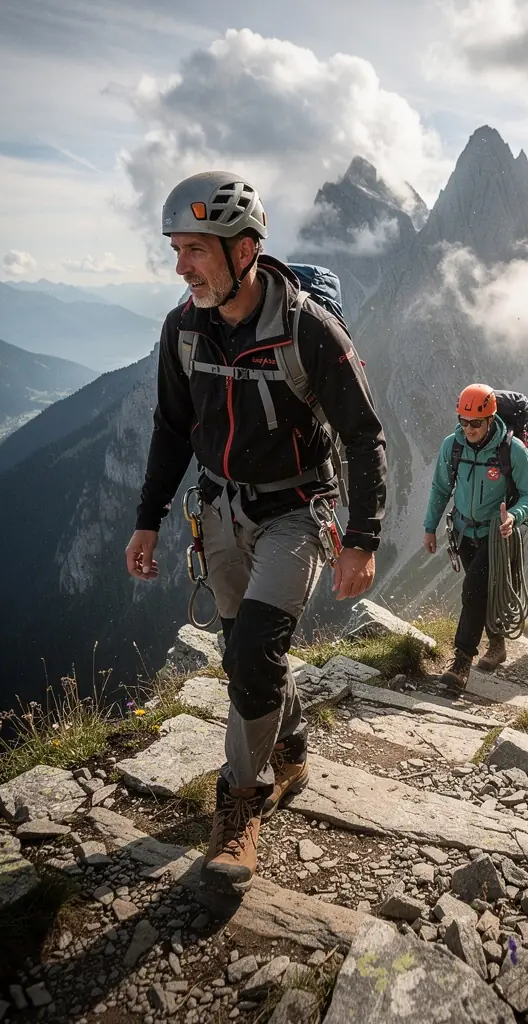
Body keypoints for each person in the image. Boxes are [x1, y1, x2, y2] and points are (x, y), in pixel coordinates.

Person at [124, 171, 386, 893]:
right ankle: (292, 739)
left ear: (244, 249)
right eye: (177, 250)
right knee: (249, 654)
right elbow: (173, 429)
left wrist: (362, 538)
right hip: (219, 512)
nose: (181, 267)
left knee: (254, 648)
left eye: (195, 251)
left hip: (296, 512)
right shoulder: (183, 329)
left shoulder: (309, 328)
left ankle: (240, 807)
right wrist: (147, 520)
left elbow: (364, 436)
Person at [423, 384, 528, 691]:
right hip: (463, 531)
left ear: (490, 418)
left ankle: (462, 662)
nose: (468, 428)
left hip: (495, 533)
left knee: (473, 590)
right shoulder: (453, 445)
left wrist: (514, 516)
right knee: (484, 591)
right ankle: (497, 644)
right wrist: (428, 528)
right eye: (463, 421)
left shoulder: (512, 449)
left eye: (475, 422)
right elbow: (440, 489)